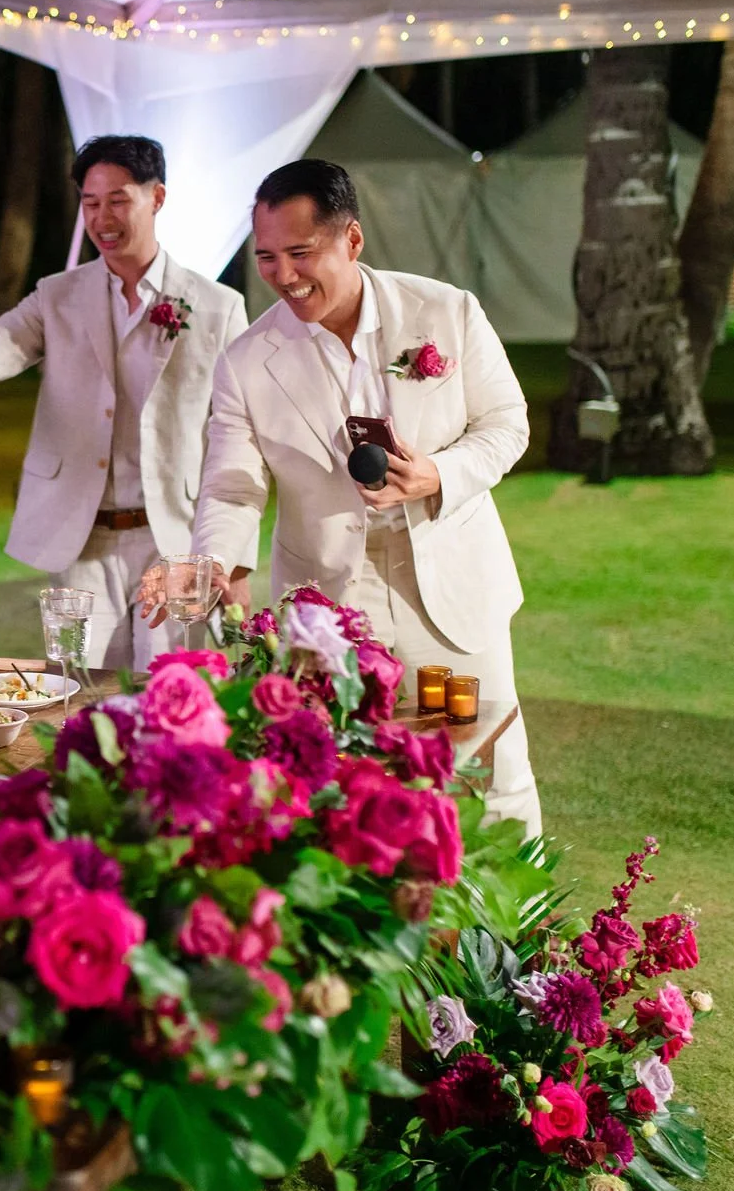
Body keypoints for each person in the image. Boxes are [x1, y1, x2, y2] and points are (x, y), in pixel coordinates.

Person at [181, 159, 542, 836]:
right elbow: (231, 483)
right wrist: (215, 563)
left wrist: (438, 473)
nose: (283, 275)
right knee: (348, 788)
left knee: (491, 775)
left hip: (451, 582)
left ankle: (522, 909)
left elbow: (507, 424)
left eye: (300, 252)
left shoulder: (447, 311)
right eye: (266, 258)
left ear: (351, 239)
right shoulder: (246, 361)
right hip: (329, 604)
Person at [0, 134, 248, 672]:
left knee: (174, 692)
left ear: (157, 198)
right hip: (81, 540)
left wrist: (235, 562)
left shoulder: (217, 306)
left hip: (176, 540)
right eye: (90, 203)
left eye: (118, 201)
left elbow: (241, 439)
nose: (102, 219)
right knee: (79, 691)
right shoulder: (56, 294)